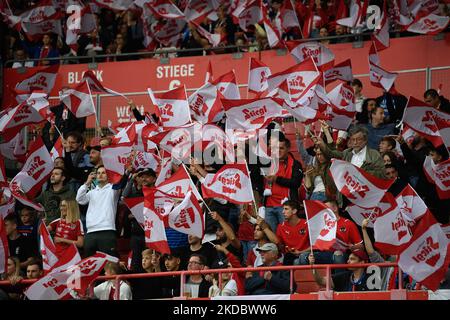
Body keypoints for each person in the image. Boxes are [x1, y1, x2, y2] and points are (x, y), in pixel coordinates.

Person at [75, 165, 125, 257]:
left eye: (103, 173)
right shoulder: (91, 192)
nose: (100, 175)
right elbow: (79, 199)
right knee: (90, 266)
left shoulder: (113, 189)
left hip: (107, 230)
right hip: (90, 232)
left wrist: (126, 171)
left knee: (109, 264)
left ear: (108, 175)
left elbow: (121, 182)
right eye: (98, 173)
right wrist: (87, 183)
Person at [264, 135, 303, 233]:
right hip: (269, 206)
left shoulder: (295, 164)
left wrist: (277, 179)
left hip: (286, 207)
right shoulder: (269, 162)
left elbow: (296, 183)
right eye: (276, 148)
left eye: (281, 148)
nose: (278, 151)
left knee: (288, 232)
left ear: (288, 149)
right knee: (272, 236)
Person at [316, 125, 386, 179]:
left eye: (358, 139)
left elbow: (382, 174)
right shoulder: (347, 153)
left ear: (365, 140)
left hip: (366, 192)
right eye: (353, 140)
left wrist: (360, 172)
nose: (355, 143)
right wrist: (323, 146)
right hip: (347, 192)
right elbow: (332, 154)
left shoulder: (374, 154)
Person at [308, 248, 377, 292]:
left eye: (352, 259)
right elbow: (321, 281)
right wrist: (313, 266)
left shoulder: (371, 279)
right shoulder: (344, 276)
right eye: (348, 259)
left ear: (362, 262)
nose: (348, 261)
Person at [276, 200, 310, 265]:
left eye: (286, 209)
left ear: (294, 211)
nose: (283, 212)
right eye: (283, 209)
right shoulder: (281, 227)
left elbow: (315, 245)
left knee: (298, 261)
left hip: (306, 255)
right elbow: (280, 246)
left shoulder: (307, 224)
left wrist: (300, 252)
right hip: (289, 257)